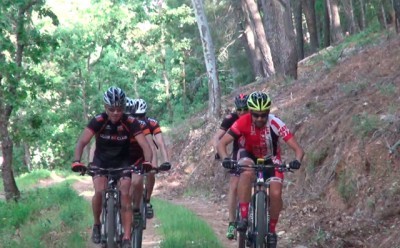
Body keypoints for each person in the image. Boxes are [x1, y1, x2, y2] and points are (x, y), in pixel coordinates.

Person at [217, 91, 304, 248]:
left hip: (271, 157)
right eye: (256, 115)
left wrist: (296, 161)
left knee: (276, 193)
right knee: (246, 171)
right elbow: (221, 143)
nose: (259, 119)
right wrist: (225, 159)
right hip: (248, 154)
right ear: (250, 112)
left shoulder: (276, 123)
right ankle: (243, 218)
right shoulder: (242, 122)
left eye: (263, 115)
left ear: (268, 112)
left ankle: (271, 231)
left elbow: (298, 149)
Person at [71, 87, 153, 248]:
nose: (115, 112)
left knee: (125, 196)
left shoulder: (130, 122)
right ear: (105, 107)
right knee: (99, 191)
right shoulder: (98, 121)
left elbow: (145, 145)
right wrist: (76, 161)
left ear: (123, 107)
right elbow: (82, 142)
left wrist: (147, 163)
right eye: (111, 109)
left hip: (123, 162)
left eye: (119, 109)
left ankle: (127, 238)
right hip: (101, 161)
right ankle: (96, 225)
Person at [212, 93, 249, 240]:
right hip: (238, 153)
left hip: (255, 152)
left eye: (245, 109)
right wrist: (220, 154)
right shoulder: (231, 118)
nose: (241, 112)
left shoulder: (256, 117)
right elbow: (217, 138)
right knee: (234, 186)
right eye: (238, 109)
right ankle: (232, 222)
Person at [131, 98, 171, 219]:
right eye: (136, 116)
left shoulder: (152, 123)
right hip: (133, 152)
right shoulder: (129, 123)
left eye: (141, 115)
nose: (139, 119)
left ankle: (147, 201)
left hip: (148, 152)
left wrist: (166, 161)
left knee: (151, 173)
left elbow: (160, 143)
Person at [125, 97, 157, 223]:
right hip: (121, 158)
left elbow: (151, 146)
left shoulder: (143, 124)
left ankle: (146, 201)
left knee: (142, 178)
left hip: (138, 155)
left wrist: (152, 164)